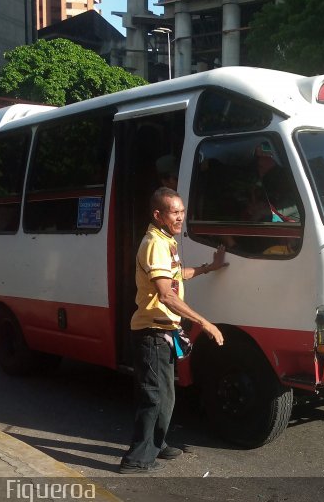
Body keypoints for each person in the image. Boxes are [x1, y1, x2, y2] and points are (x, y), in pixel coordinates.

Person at [120, 187, 227, 474]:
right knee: (154, 396)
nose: (180, 217)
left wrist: (209, 268)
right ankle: (137, 459)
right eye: (174, 212)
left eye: (182, 211)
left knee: (166, 395)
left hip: (162, 331)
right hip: (151, 332)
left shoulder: (166, 240)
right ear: (158, 215)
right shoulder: (154, 243)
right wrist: (204, 323)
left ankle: (158, 442)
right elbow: (166, 294)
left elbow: (177, 274)